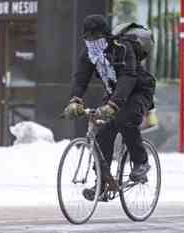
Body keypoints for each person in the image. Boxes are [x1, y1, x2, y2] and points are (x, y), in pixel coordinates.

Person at [63, 14, 156, 201]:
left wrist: (113, 105)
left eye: (95, 37)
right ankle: (102, 183)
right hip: (114, 92)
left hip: (139, 90)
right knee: (102, 131)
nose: (91, 42)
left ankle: (141, 162)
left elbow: (128, 78)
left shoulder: (123, 48)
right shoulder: (89, 54)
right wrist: (75, 100)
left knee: (124, 120)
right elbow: (81, 78)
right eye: (87, 38)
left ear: (105, 36)